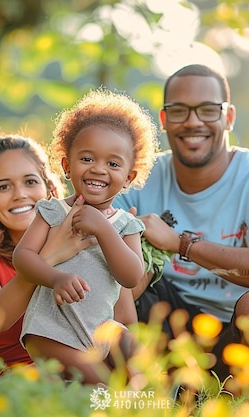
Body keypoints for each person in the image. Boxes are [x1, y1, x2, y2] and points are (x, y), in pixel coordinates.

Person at [113, 64, 249, 404]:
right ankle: (140, 398)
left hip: (243, 337)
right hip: (168, 332)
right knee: (125, 278)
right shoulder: (136, 177)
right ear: (163, 120)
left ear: (229, 117)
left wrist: (181, 244)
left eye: (208, 109)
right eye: (179, 111)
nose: (193, 122)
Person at [13, 88, 159, 385]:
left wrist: (104, 229)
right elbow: (23, 258)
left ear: (130, 176)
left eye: (113, 164)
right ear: (67, 166)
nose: (98, 169)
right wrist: (54, 278)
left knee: (131, 347)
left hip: (102, 330)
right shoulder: (52, 212)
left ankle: (149, 394)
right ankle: (112, 395)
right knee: (100, 382)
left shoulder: (125, 225)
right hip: (51, 331)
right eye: (87, 158)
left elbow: (131, 276)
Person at [0, 134, 125, 367]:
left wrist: (120, 241)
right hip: (18, 379)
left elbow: (121, 315)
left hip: (80, 365)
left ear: (48, 189)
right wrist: (47, 258)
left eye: (30, 182)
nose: (20, 194)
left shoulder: (82, 237)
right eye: (4, 186)